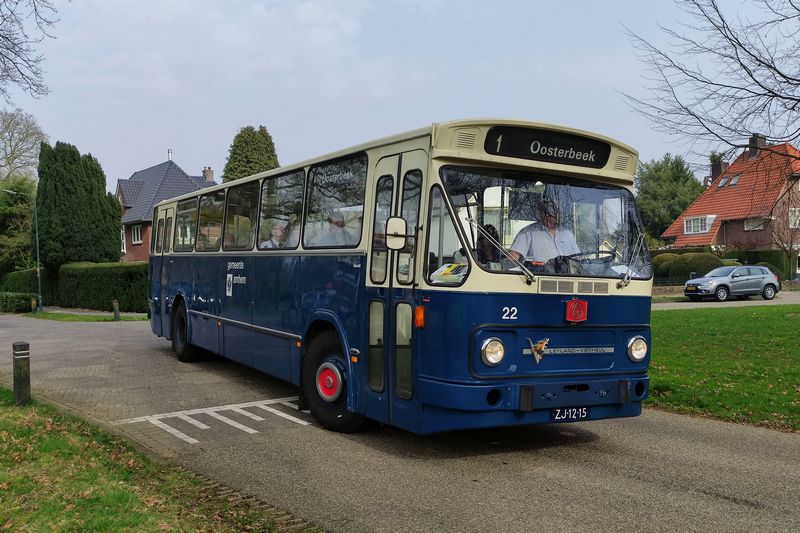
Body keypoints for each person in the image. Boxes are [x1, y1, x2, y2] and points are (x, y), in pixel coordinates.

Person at [508, 198, 579, 264]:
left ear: (558, 214)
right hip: (537, 275)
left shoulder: (568, 234)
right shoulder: (527, 233)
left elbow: (577, 258)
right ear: (540, 213)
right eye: (545, 213)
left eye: (551, 214)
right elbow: (512, 258)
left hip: (569, 276)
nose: (548, 217)